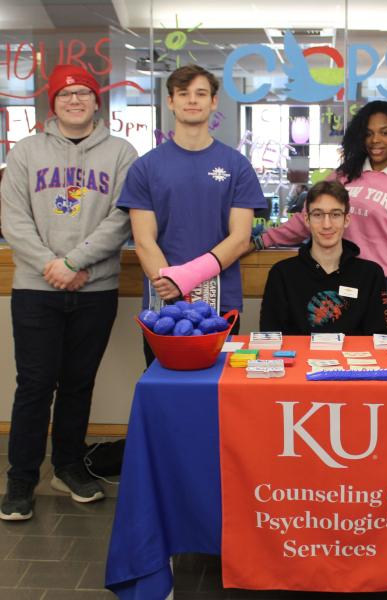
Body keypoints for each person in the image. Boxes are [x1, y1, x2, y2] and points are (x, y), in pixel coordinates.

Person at [0, 64, 138, 520]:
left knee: (79, 385)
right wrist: (50, 266)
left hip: (95, 289)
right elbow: (14, 219)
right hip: (36, 290)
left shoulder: (121, 153)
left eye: (83, 93)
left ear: (97, 101)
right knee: (35, 386)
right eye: (65, 94)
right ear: (52, 103)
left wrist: (75, 263)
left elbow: (122, 217)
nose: (75, 100)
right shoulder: (25, 151)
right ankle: (20, 481)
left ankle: (67, 467)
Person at [116, 64, 266, 366]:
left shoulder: (237, 166)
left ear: (213, 101)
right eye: (183, 94)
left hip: (220, 303)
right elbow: (144, 240)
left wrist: (185, 278)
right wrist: (171, 285)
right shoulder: (146, 167)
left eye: (201, 93)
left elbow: (239, 239)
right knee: (165, 391)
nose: (192, 100)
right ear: (171, 102)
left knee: (217, 393)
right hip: (163, 305)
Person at [252, 100, 387, 335]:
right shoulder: (345, 175)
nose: (376, 140)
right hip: (347, 277)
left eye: (385, 133)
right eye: (368, 134)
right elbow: (309, 216)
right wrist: (263, 240)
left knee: (385, 360)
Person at [260, 180, 387, 335]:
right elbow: (269, 338)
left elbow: (379, 339)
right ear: (307, 220)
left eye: (335, 214)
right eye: (318, 214)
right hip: (299, 359)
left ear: (346, 219)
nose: (327, 224)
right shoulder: (282, 273)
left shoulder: (370, 274)